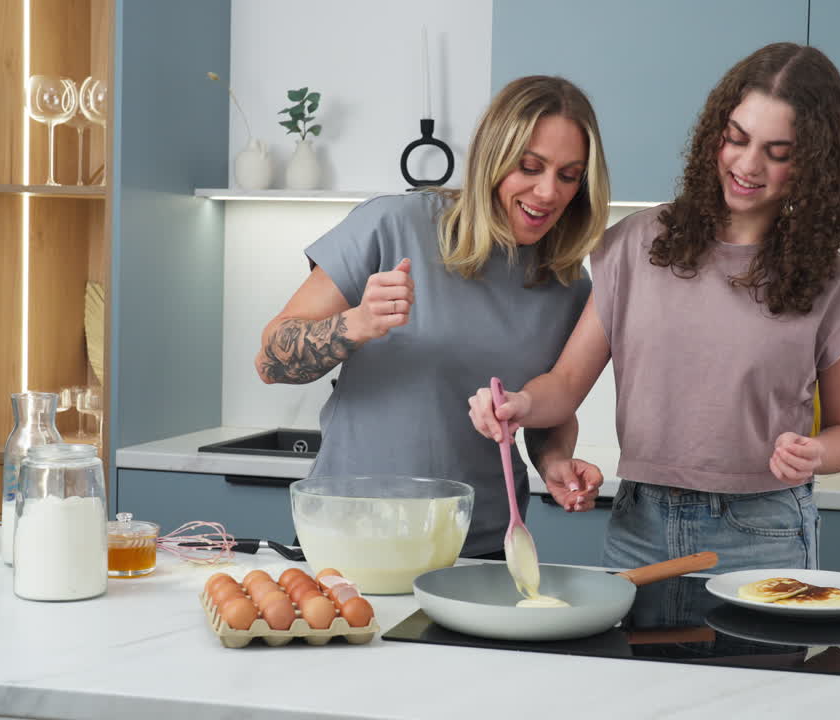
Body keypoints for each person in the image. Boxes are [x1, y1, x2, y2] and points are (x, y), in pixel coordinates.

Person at [468, 44, 840, 572]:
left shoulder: (832, 282)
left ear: (813, 164)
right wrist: (522, 405)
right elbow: (567, 383)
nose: (748, 165)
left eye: (778, 151)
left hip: (765, 529)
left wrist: (817, 454)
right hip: (641, 525)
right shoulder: (639, 245)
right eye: (737, 139)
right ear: (716, 135)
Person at [256, 76, 609, 559]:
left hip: (478, 546)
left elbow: (545, 409)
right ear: (491, 158)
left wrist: (554, 463)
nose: (548, 192)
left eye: (569, 175)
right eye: (530, 167)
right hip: (347, 535)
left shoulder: (570, 287)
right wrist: (354, 325)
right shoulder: (395, 225)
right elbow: (271, 360)